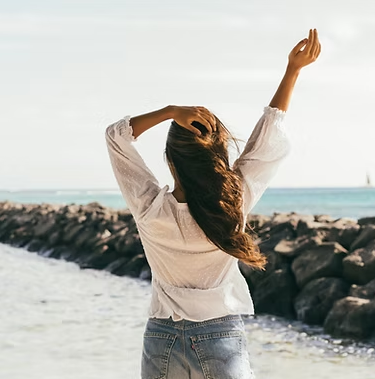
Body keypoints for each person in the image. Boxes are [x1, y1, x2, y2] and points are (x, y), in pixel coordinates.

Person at [105, 28, 321, 379]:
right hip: (218, 338)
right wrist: (292, 70)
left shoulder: (149, 207)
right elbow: (266, 138)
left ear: (169, 159)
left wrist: (169, 111)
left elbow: (116, 137)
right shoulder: (233, 202)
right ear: (218, 156)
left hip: (161, 338)